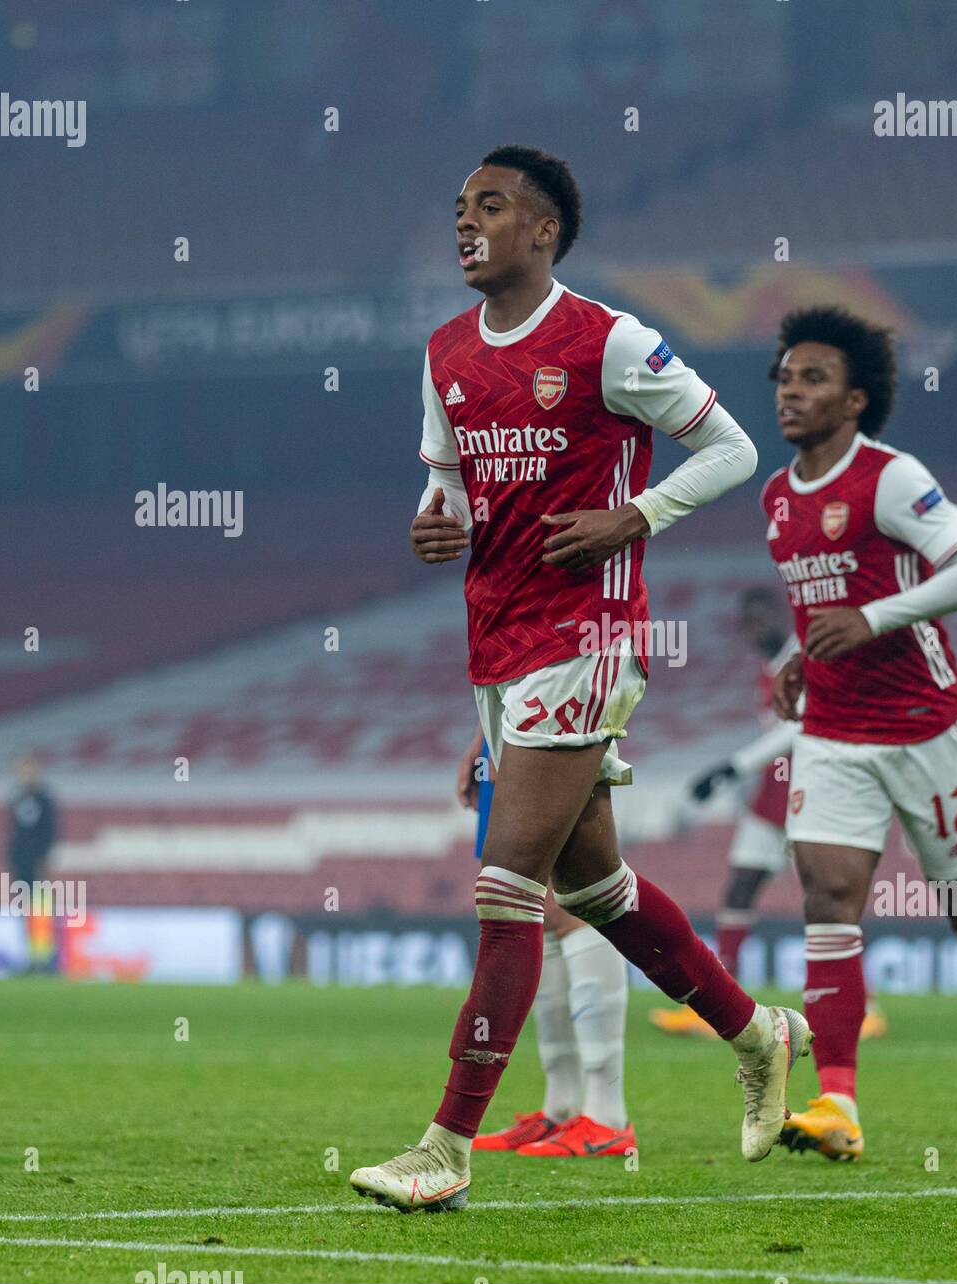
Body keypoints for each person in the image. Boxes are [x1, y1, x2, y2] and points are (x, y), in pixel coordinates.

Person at [349, 146, 810, 1214]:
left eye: (492, 207)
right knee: (593, 888)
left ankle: (444, 1149)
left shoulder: (608, 340)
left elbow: (731, 447)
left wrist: (633, 515)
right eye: (460, 207)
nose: (466, 224)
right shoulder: (445, 353)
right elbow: (455, 498)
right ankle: (758, 1033)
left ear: (545, 231)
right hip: (497, 643)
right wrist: (437, 526)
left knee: (507, 884)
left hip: (590, 633)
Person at [760, 305, 957, 1163]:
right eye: (785, 376)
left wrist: (868, 619)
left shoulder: (892, 478)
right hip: (831, 730)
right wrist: (799, 650)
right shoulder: (777, 497)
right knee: (828, 900)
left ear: (856, 399)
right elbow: (819, 598)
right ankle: (838, 1103)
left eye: (813, 377)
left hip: (922, 724)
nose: (791, 391)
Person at [652, 586, 886, 1040]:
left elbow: (800, 727)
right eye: (747, 623)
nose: (754, 630)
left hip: (813, 793)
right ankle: (718, 1003)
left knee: (829, 897)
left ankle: (866, 1004)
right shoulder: (769, 665)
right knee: (739, 888)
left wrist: (731, 767)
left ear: (780, 616)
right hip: (773, 797)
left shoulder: (804, 656)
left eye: (761, 619)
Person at [457, 733, 635, 1158]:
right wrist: (484, 737)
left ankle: (608, 1115)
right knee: (536, 900)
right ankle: (563, 1107)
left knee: (574, 893)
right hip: (514, 724)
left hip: (559, 722)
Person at [8, 756, 59, 973]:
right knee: (28, 910)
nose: (25, 775)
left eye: (28, 770)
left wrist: (44, 856)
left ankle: (44, 959)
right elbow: (16, 832)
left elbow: (50, 830)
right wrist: (12, 857)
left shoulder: (44, 799)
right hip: (21, 862)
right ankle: (32, 957)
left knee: (40, 909)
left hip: (37, 861)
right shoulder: (18, 797)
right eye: (22, 771)